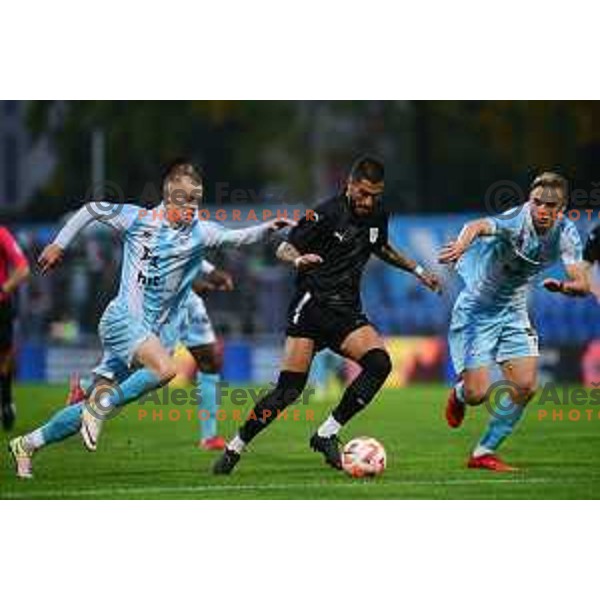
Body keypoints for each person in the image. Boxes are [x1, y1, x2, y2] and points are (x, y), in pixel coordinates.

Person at [9, 159, 290, 478]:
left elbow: (237, 237)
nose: (191, 208)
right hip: (120, 321)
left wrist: (268, 228)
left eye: (196, 200)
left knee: (93, 405)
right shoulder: (138, 219)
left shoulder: (200, 232)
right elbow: (90, 209)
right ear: (169, 197)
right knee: (165, 368)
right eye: (185, 201)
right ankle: (97, 407)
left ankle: (28, 444)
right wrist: (59, 244)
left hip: (144, 333)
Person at [213, 156, 441, 475]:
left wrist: (418, 270)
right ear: (349, 185)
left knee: (379, 364)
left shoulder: (377, 215)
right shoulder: (324, 213)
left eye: (375, 194)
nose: (368, 200)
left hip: (346, 310)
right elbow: (284, 248)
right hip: (312, 307)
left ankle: (326, 433)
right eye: (362, 192)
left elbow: (381, 247)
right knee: (288, 392)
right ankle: (235, 447)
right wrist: (297, 260)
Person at [440, 171, 590, 472]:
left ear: (561, 209)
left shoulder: (567, 233)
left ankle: (483, 452)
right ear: (529, 201)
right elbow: (477, 226)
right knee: (477, 394)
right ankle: (459, 393)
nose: (543, 211)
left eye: (551, 206)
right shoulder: (515, 220)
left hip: (513, 309)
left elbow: (582, 284)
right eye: (537, 203)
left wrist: (563, 287)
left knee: (526, 385)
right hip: (477, 310)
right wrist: (459, 245)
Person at [0, 226, 30, 430]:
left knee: (4, 358)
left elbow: (23, 269)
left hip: (1, 306)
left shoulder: (2, 234)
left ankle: (6, 400)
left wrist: (3, 289)